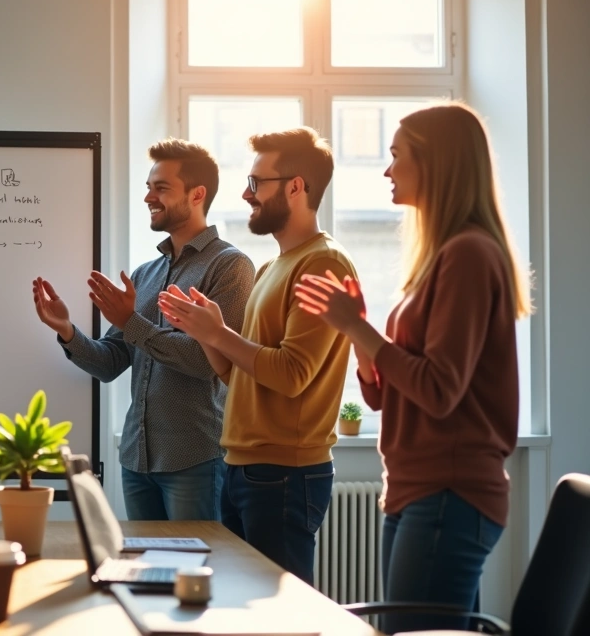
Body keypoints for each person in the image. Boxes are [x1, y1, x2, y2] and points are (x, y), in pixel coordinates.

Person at [294, 102, 531, 632]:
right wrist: (357, 335)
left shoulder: (469, 254)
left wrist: (359, 329)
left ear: (436, 164)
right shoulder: (443, 257)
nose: (386, 170)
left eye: (397, 156)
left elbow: (440, 389)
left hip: (449, 492)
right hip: (419, 489)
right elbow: (387, 395)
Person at [158, 127, 357, 585]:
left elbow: (291, 375)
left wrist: (220, 332)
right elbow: (234, 373)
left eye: (256, 183)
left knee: (281, 616)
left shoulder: (323, 263)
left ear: (295, 186)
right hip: (244, 468)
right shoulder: (272, 266)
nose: (246, 195)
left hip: (284, 475)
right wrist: (206, 331)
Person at [32, 139, 254, 520]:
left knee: (193, 573)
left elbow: (206, 361)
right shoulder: (145, 274)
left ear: (197, 194)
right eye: (148, 187)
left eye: (161, 188)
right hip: (137, 461)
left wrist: (132, 322)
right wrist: (67, 330)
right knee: (146, 571)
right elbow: (110, 364)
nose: (149, 197)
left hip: (196, 459)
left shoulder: (231, 267)